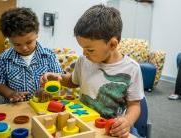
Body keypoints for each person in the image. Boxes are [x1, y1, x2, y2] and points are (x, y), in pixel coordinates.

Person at [40, 4, 144, 138]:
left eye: (90, 50)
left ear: (112, 44)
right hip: (82, 122)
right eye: (82, 48)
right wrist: (57, 77)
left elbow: (134, 106)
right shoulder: (83, 61)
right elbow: (73, 81)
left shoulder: (131, 69)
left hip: (110, 129)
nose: (84, 53)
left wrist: (127, 122)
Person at [0, 8, 62, 103]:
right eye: (17, 44)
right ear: (9, 40)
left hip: (43, 106)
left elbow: (58, 77)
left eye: (29, 42)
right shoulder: (3, 59)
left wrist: (47, 89)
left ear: (37, 34)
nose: (24, 48)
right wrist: (10, 93)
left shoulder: (49, 55)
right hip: (16, 107)